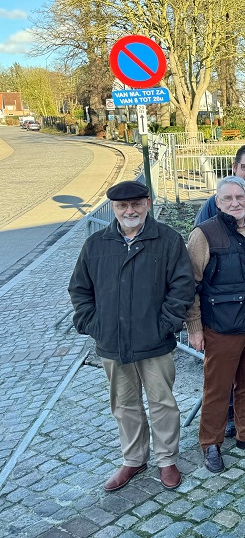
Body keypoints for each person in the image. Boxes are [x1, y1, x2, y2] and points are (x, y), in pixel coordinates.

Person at [69, 180, 195, 491]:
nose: (130, 210)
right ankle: (134, 459)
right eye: (123, 206)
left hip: (154, 340)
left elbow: (182, 287)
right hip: (112, 342)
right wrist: (94, 325)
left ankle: (167, 460)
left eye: (136, 204)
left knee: (162, 403)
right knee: (124, 405)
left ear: (148, 204)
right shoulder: (97, 244)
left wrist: (165, 324)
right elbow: (80, 289)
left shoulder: (167, 240)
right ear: (113, 208)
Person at [187, 176, 245, 473]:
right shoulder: (204, 234)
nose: (235, 203)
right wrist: (195, 328)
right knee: (218, 388)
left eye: (240, 197)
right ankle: (210, 443)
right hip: (221, 327)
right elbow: (191, 286)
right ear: (217, 201)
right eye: (228, 199)